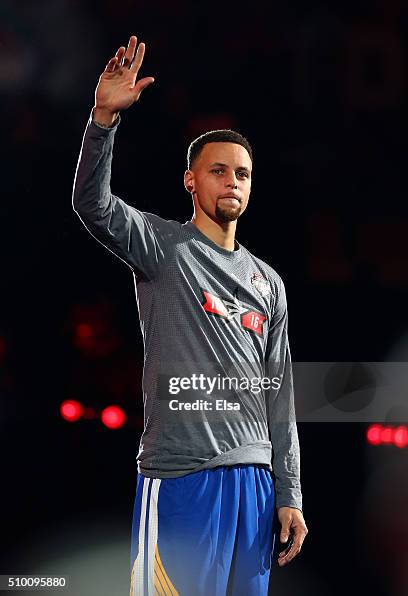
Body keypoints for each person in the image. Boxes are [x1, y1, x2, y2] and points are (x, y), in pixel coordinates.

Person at [72, 34, 308, 596]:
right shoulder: (164, 247)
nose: (232, 182)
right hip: (181, 477)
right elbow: (92, 204)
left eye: (242, 174)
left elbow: (281, 395)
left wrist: (289, 494)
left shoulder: (268, 282)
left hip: (254, 485)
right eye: (218, 171)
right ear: (191, 181)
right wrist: (103, 118)